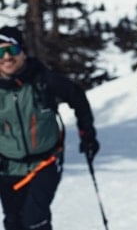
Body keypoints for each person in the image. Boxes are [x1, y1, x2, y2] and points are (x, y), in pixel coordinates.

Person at [0, 26, 100, 230]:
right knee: (13, 222)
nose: (7, 57)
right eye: (1, 52)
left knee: (35, 219)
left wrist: (87, 133)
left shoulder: (42, 79)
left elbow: (76, 96)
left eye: (12, 50)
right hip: (8, 167)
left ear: (23, 52)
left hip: (46, 162)